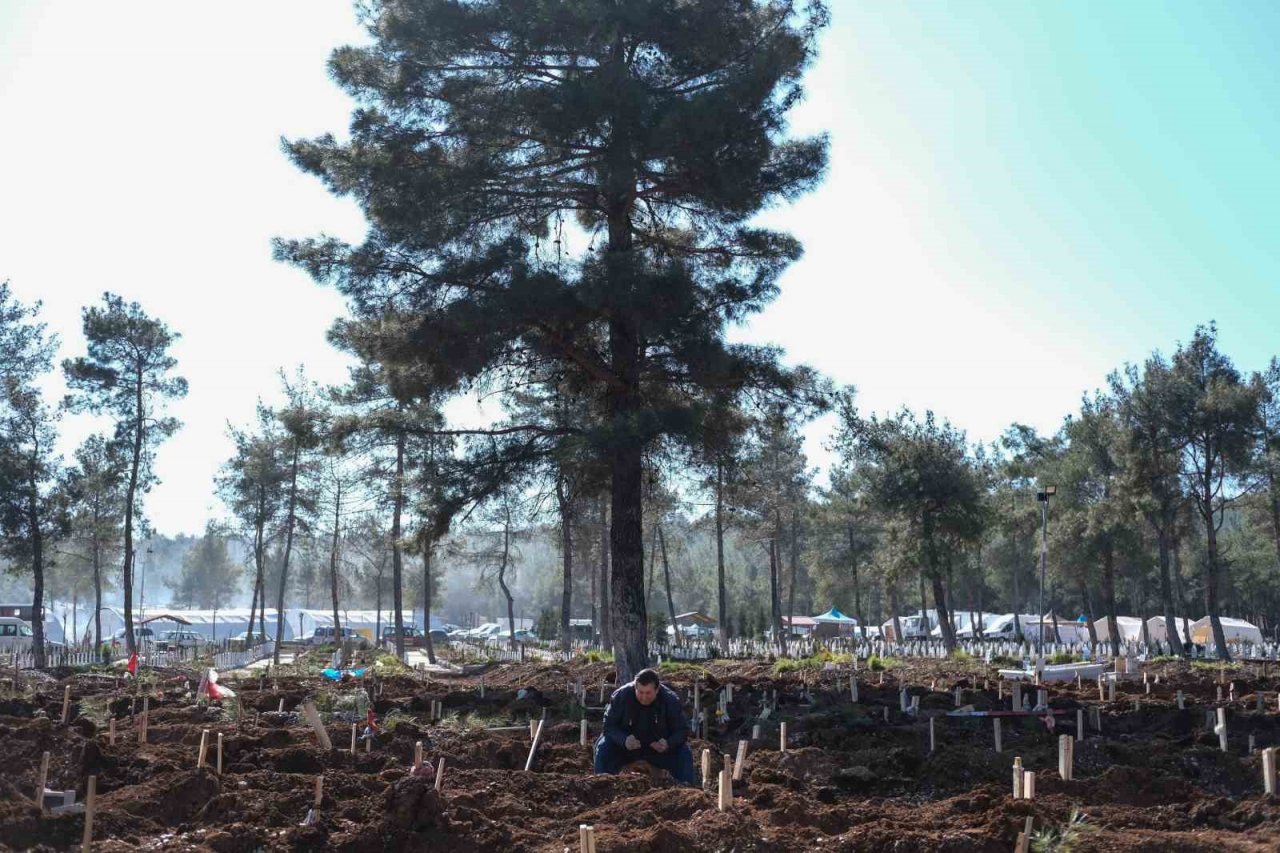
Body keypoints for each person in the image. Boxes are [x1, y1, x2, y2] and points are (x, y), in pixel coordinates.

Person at [593, 668, 694, 784]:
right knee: (603, 746)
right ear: (635, 687)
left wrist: (668, 743)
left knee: (684, 752)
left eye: (648, 693)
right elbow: (608, 726)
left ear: (657, 690)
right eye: (640, 692)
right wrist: (624, 740)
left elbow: (682, 730)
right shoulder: (621, 696)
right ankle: (601, 786)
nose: (644, 697)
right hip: (625, 749)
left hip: (658, 751)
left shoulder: (670, 700)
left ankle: (686, 789)